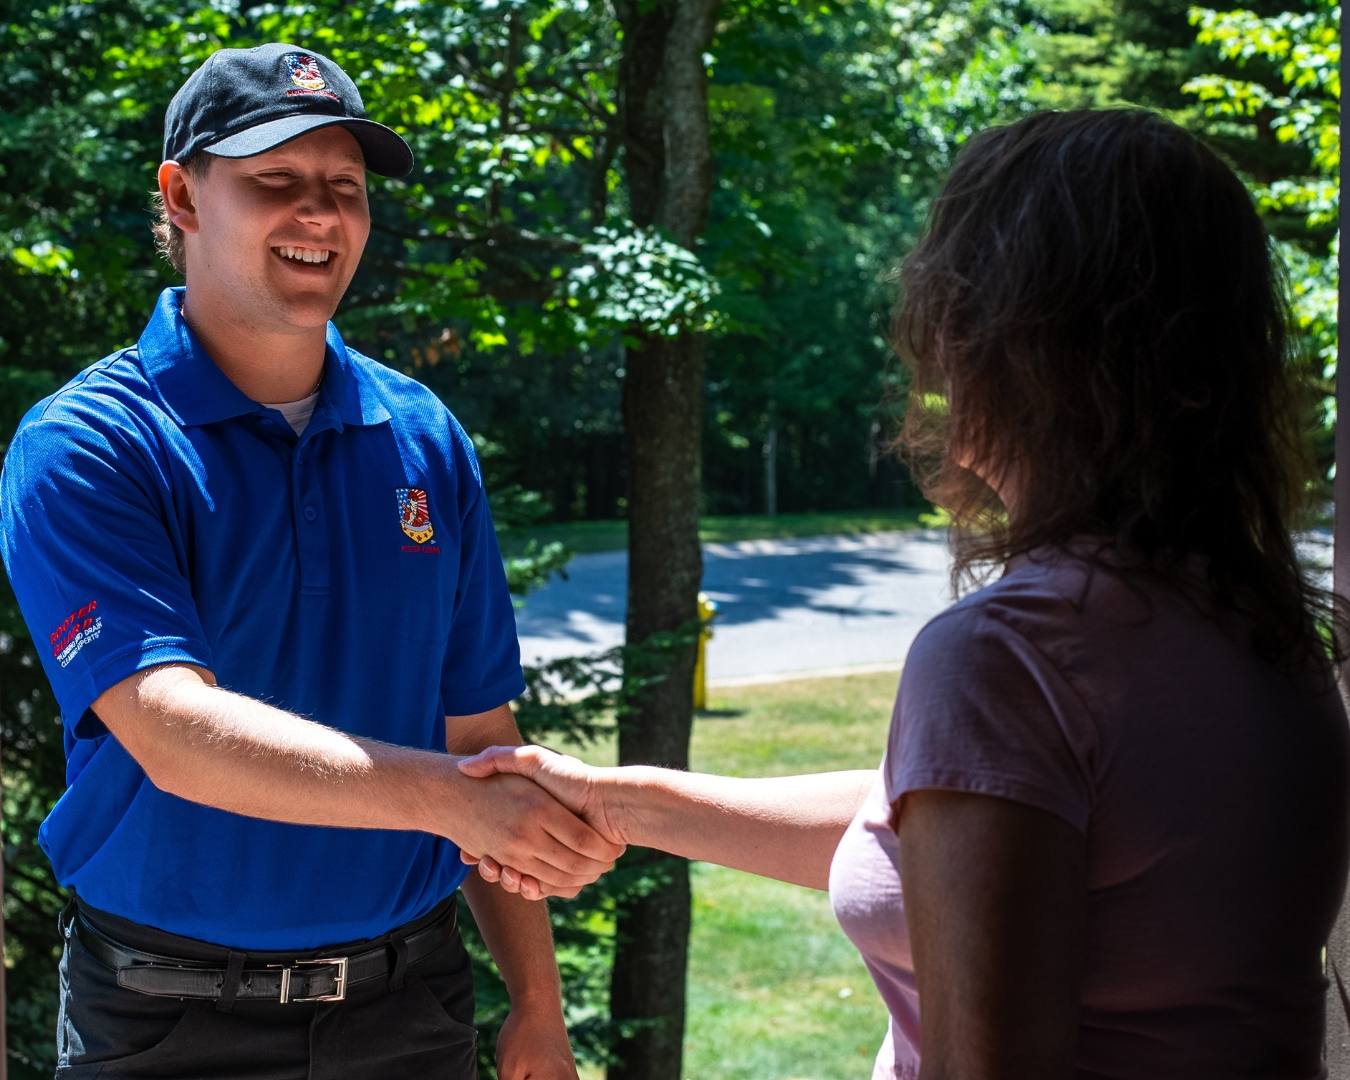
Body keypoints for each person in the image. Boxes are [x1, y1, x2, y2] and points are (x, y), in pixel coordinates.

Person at [459, 109, 1350, 1079]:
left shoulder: (1012, 655)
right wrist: (624, 805)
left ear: (1001, 337)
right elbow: (966, 817)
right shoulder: (1250, 627)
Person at [0, 43, 622, 1080]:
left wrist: (538, 1008)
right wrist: (450, 800)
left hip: (410, 1009)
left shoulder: (422, 436)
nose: (321, 215)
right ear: (182, 196)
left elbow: (477, 735)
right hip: (165, 1027)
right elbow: (174, 733)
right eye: (276, 183)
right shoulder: (88, 445)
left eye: (345, 187)